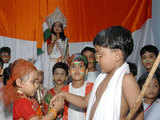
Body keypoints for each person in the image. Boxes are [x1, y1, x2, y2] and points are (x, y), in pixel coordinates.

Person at [53, 26, 144, 120]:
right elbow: (84, 102)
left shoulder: (127, 80)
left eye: (100, 54)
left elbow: (139, 115)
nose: (96, 58)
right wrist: (64, 94)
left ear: (117, 55)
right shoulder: (101, 78)